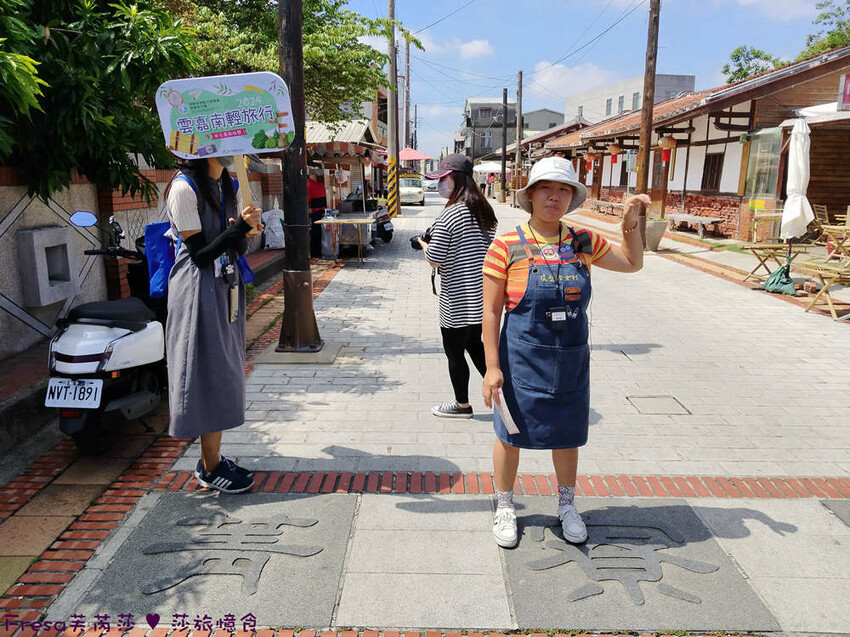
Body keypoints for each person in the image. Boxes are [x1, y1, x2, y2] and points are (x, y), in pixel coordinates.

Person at [481, 156, 650, 547]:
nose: (553, 196)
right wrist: (491, 368)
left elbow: (632, 262)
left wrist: (630, 220)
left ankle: (567, 504)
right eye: (546, 188)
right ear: (531, 195)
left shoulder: (583, 241)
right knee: (509, 433)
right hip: (519, 359)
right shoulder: (505, 245)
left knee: (567, 436)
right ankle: (505, 505)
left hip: (570, 358)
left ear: (572, 197)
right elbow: (490, 311)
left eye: (562, 190)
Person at [164, 156, 263, 494]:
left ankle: (212, 460)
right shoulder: (183, 188)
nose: (235, 151)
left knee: (224, 370)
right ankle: (210, 468)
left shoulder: (227, 186)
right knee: (207, 372)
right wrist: (237, 229)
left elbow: (233, 246)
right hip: (196, 289)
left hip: (225, 286)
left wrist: (246, 232)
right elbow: (200, 254)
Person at [419, 153, 498, 418]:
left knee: (454, 353)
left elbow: (435, 259)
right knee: (475, 345)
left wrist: (422, 243)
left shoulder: (451, 214)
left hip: (456, 299)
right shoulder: (484, 210)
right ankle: (502, 394)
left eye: (444, 178)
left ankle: (462, 405)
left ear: (457, 179)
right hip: (482, 297)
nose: (440, 184)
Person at [307, 170, 328, 257]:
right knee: (321, 232)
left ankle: (315, 252)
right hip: (323, 211)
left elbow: (306, 200)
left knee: (315, 233)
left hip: (315, 212)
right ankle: (320, 250)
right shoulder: (320, 185)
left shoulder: (308, 186)